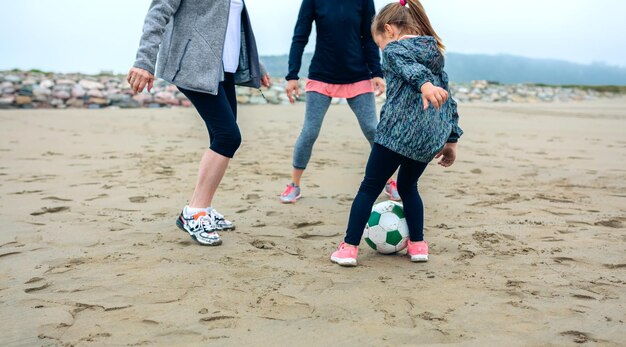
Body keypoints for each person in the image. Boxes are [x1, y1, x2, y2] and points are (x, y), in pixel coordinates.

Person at [330, 0, 463, 266]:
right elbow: (449, 100)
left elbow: (412, 71)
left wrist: (425, 85)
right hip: (428, 138)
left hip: (396, 134)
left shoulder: (393, 50)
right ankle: (417, 245)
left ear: (389, 30)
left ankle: (349, 248)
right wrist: (452, 140)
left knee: (369, 187)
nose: (381, 48)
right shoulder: (435, 53)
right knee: (408, 186)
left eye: (379, 41)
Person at [127, 0, 270, 246]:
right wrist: (144, 61)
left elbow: (231, 24)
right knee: (228, 137)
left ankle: (201, 207)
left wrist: (256, 64)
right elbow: (158, 12)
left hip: (222, 69)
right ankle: (195, 211)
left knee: (221, 137)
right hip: (194, 64)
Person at [279, 0, 402, 203]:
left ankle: (389, 180)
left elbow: (370, 38)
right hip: (321, 75)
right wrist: (292, 75)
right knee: (310, 131)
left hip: (358, 75)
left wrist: (377, 72)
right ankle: (294, 185)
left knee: (373, 129)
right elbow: (300, 37)